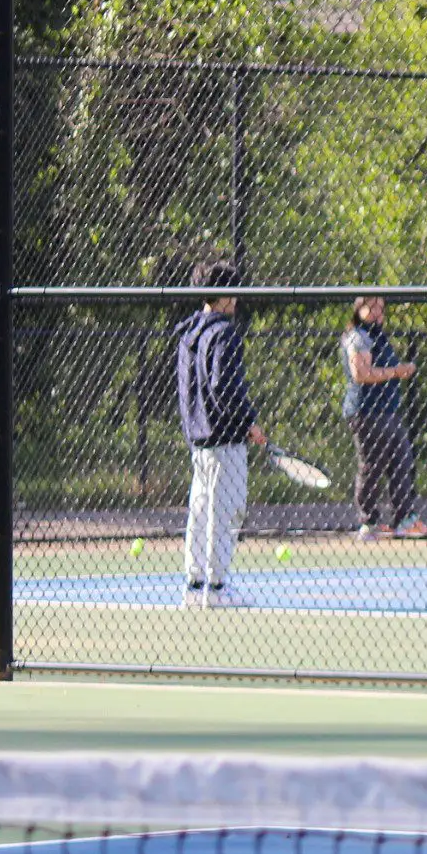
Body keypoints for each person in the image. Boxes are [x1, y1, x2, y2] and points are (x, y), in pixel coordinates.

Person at [175, 260, 267, 608]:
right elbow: (224, 387)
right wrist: (248, 421)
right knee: (225, 511)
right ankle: (216, 588)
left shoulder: (188, 334)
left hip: (199, 440)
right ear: (226, 295)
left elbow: (188, 389)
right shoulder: (225, 333)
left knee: (199, 510)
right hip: (225, 440)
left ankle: (194, 584)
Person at [341, 295, 427, 540]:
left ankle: (404, 519)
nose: (377, 312)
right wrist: (397, 372)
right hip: (367, 412)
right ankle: (368, 523)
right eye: (371, 307)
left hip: (388, 410)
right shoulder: (359, 336)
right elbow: (360, 373)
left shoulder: (378, 336)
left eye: (381, 307)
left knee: (402, 462)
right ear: (358, 309)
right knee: (373, 466)